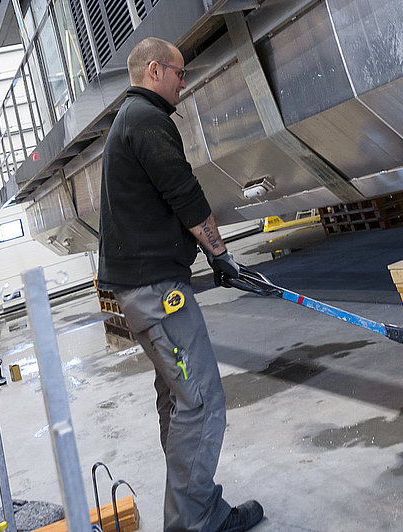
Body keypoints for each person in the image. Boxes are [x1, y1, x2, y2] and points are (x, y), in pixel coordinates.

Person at [97, 37, 263, 532]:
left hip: (145, 288)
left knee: (177, 398)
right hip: (156, 293)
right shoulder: (148, 121)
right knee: (201, 398)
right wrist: (222, 255)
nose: (183, 83)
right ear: (154, 70)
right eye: (179, 73)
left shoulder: (127, 122)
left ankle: (190, 511)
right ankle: (197, 520)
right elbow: (185, 194)